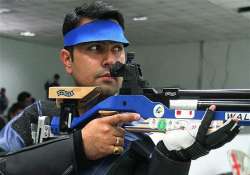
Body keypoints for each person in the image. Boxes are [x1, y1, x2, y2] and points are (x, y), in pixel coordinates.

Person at [0, 1, 239, 175]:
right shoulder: (37, 118)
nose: (111, 60)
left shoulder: (137, 125)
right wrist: (79, 147)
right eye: (95, 48)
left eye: (117, 49)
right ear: (67, 59)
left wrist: (174, 157)